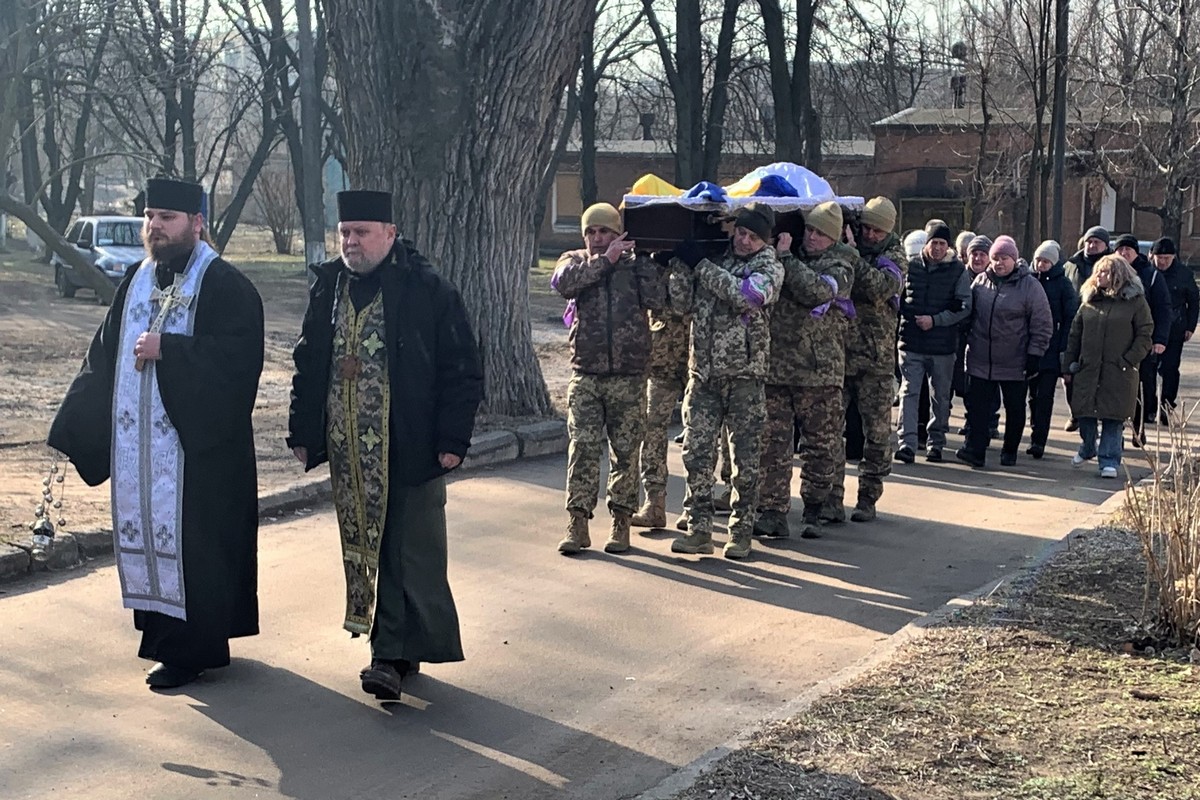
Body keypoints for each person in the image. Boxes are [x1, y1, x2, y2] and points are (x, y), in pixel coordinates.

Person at [48, 177, 264, 689]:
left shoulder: (224, 284)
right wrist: (73, 425)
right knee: (152, 537)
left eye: (166, 219)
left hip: (200, 454)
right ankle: (167, 640)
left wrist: (171, 350)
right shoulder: (138, 280)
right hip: (141, 450)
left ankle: (191, 653)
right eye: (149, 218)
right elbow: (105, 354)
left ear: (196, 223)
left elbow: (238, 361)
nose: (155, 228)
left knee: (199, 549)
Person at [287, 189, 483, 701]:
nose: (351, 243)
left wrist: (452, 439)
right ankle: (396, 647)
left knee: (405, 546)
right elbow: (309, 360)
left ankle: (389, 656)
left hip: (409, 441)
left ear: (390, 235)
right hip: (350, 445)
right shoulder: (329, 285)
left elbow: (461, 366)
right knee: (368, 544)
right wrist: (304, 432)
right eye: (344, 233)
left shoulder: (426, 288)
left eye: (362, 233)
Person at [669, 203, 783, 559]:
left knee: (745, 459)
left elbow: (747, 295)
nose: (744, 241)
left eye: (752, 236)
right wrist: (678, 266)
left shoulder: (770, 267)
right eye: (741, 233)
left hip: (745, 378)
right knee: (696, 454)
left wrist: (701, 266)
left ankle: (740, 531)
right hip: (703, 375)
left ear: (764, 241)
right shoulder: (716, 259)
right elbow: (679, 305)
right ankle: (699, 529)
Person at [552, 203, 664, 553]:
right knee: (582, 449)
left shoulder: (634, 267)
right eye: (592, 232)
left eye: (605, 232)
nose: (598, 239)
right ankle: (578, 523)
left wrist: (644, 261)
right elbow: (565, 284)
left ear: (619, 234)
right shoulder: (573, 261)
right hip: (586, 374)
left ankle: (621, 522)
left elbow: (660, 300)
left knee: (626, 452)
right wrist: (605, 261)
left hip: (628, 378)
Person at [755, 201, 856, 540]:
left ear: (835, 237)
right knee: (773, 444)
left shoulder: (842, 263)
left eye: (820, 233)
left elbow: (816, 291)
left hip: (820, 371)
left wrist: (785, 258)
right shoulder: (783, 254)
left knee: (820, 445)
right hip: (777, 367)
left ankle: (814, 508)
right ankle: (771, 511)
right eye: (809, 230)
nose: (812, 238)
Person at [834, 196, 905, 523]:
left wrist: (852, 255)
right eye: (866, 229)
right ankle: (830, 497)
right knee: (830, 432)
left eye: (877, 231)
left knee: (876, 434)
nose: (870, 235)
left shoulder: (894, 255)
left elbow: (879, 288)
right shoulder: (849, 243)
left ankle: (868, 496)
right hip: (840, 354)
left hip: (876, 361)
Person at [954, 236, 1052, 468]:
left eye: (1004, 258)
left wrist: (1035, 354)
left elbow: (1042, 323)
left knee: (1015, 408)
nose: (999, 263)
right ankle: (975, 450)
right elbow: (968, 313)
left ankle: (1010, 450)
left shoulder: (1030, 286)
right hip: (980, 358)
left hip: (1014, 360)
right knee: (978, 408)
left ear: (1014, 259)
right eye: (995, 258)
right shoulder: (980, 282)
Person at [1061, 254, 1154, 478]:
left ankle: (1109, 460)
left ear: (1118, 276)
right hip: (1087, 367)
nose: (1099, 276)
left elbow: (1145, 333)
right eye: (1098, 271)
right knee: (1085, 413)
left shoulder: (1135, 302)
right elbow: (1075, 333)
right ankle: (1088, 447)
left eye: (1105, 272)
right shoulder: (1089, 300)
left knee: (1114, 417)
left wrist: (1128, 360)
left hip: (1119, 370)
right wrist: (1068, 365)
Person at [896, 220, 972, 463]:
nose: (937, 248)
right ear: (926, 244)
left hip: (942, 345)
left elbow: (964, 306)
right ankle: (907, 442)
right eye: (933, 243)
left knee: (940, 396)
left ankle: (936, 442)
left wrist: (935, 320)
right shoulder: (911, 267)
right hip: (911, 342)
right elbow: (898, 300)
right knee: (909, 392)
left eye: (942, 243)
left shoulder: (957, 270)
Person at [631, 253, 690, 532]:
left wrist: (681, 262)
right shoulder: (648, 265)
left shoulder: (699, 258)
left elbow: (682, 302)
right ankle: (654, 502)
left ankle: (695, 505)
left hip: (697, 360)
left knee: (700, 434)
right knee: (652, 428)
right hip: (661, 363)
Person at [1113, 234, 1171, 444]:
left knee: (1141, 385)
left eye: (1128, 249)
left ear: (1136, 252)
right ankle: (1115, 432)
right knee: (1116, 387)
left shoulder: (1151, 275)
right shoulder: (1108, 273)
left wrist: (1160, 339)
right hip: (1115, 342)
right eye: (1120, 249)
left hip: (1143, 340)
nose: (1124, 253)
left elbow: (1163, 309)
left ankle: (1138, 428)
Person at [1026, 240, 1078, 458]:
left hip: (1051, 348)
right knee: (1031, 396)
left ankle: (1039, 440)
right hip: (1028, 348)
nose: (1041, 264)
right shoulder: (1027, 281)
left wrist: (1064, 347)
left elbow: (1071, 318)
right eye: (1038, 260)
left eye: (1045, 261)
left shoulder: (1063, 285)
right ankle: (1033, 428)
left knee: (1045, 396)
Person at [1062, 226, 1112, 432]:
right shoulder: (1071, 265)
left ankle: (1098, 414)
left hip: (1102, 328)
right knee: (1070, 373)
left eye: (1096, 242)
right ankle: (1075, 413)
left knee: (1099, 375)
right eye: (1089, 241)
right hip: (1073, 326)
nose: (1091, 246)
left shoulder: (1113, 266)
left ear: (1106, 245)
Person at [1149, 237, 1199, 420]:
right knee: (1148, 370)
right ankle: (1150, 405)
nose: (1162, 262)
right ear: (1152, 256)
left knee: (1169, 369)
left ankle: (1167, 405)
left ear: (1173, 258)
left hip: (1175, 328)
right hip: (1149, 328)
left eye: (1166, 258)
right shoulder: (1147, 273)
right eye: (1159, 258)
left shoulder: (1183, 274)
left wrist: (1190, 327)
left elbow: (1193, 302)